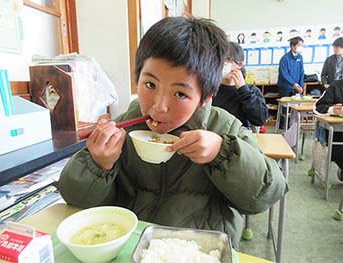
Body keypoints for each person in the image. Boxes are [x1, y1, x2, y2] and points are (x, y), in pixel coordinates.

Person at [59, 16, 287, 247]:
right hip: (131, 246)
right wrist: (99, 165)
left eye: (180, 94)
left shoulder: (224, 128)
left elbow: (264, 196)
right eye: (150, 85)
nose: (159, 106)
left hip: (198, 248)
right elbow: (75, 199)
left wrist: (222, 153)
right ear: (137, 78)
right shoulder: (124, 127)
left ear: (205, 97)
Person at [212, 42, 268, 128]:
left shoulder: (251, 90)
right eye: (219, 58)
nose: (222, 62)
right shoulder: (211, 89)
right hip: (213, 136)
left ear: (239, 65)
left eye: (227, 59)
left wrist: (243, 90)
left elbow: (260, 120)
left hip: (238, 138)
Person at [313, 80, 343, 181]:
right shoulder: (336, 87)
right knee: (337, 151)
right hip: (337, 138)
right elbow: (318, 107)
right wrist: (332, 110)